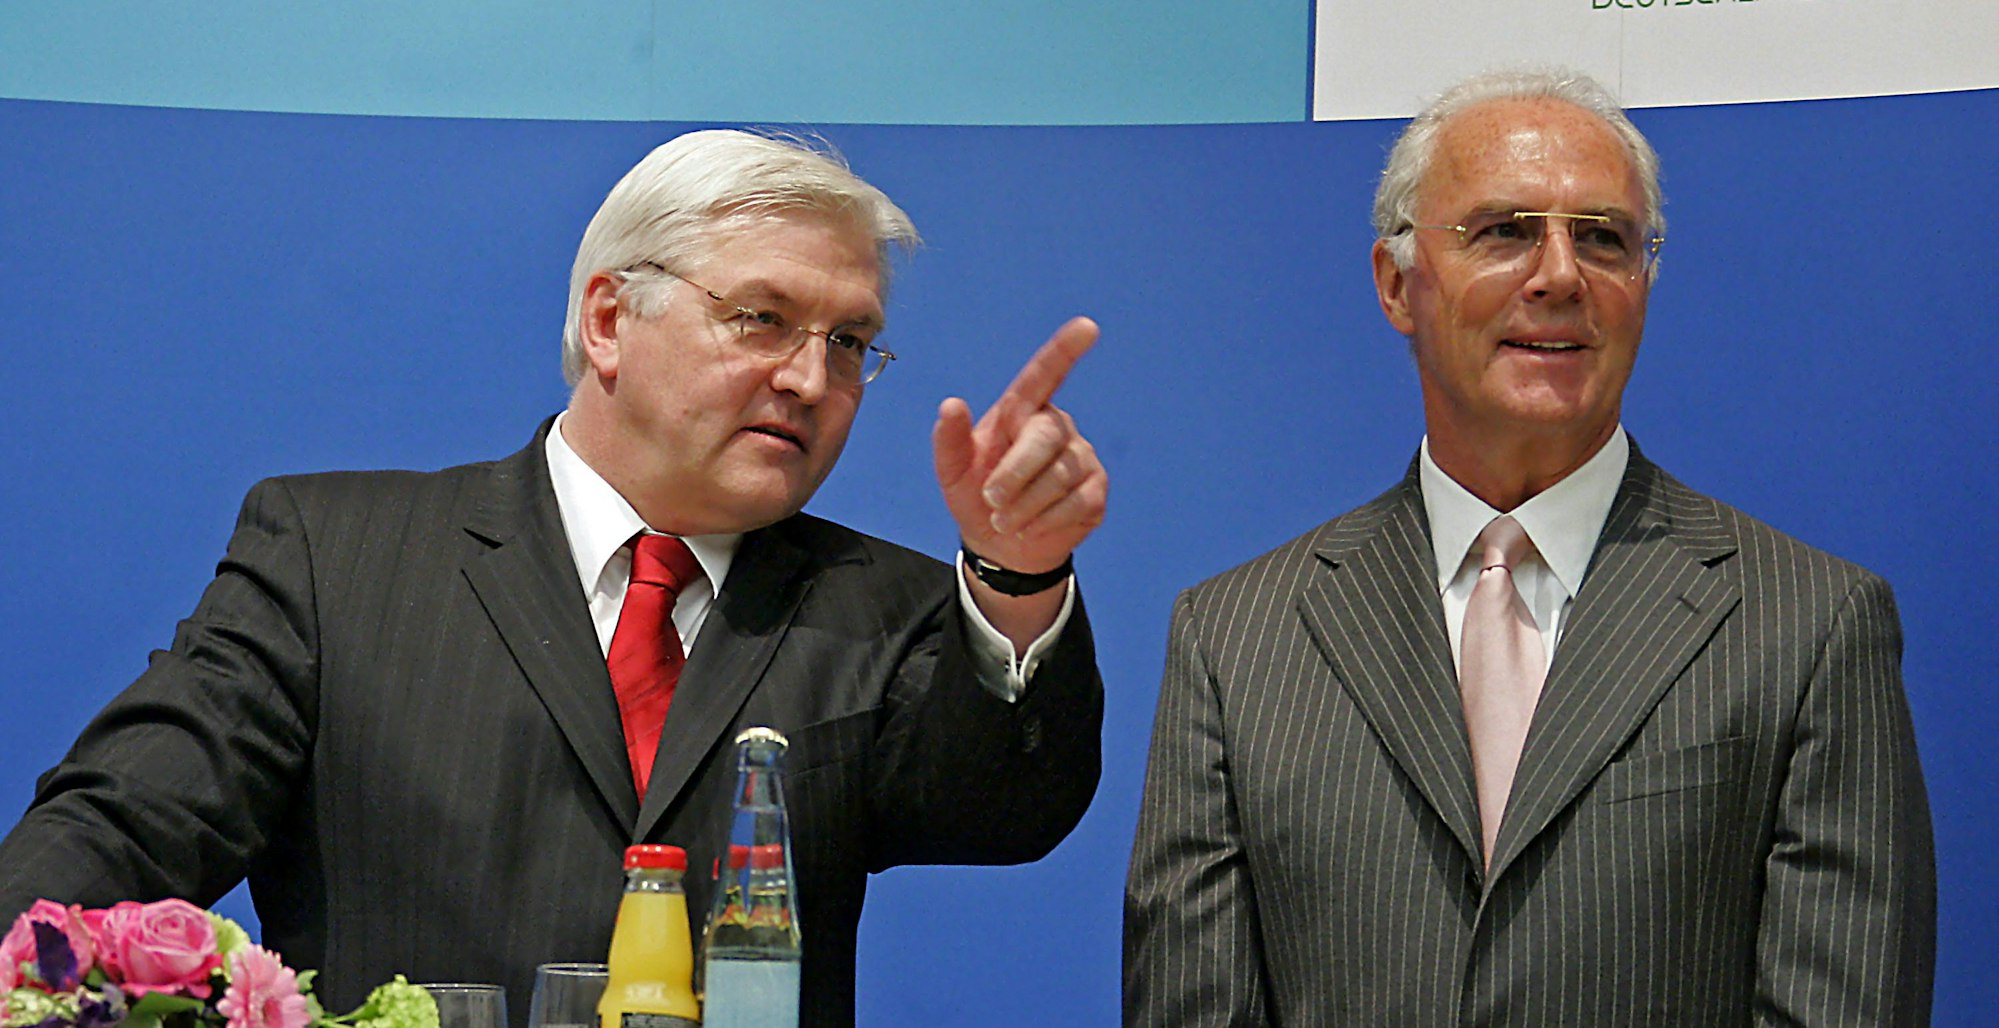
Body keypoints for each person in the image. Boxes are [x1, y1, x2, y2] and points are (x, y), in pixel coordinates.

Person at [0, 131, 1108, 1027]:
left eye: (851, 340)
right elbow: (113, 837)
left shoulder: (887, 603)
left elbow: (1001, 808)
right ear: (610, 317)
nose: (811, 377)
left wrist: (1017, 572)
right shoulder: (335, 556)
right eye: (762, 317)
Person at [1123, 69, 1935, 1025]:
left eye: (1602, 238)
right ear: (1396, 284)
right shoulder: (1236, 637)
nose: (1558, 275)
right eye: (1504, 231)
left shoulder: (1809, 624)